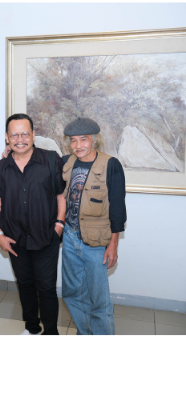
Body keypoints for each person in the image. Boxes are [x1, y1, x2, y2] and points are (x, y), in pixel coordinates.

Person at [0, 113, 66, 335]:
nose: (20, 139)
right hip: (15, 238)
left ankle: (51, 333)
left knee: (46, 289)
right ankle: (32, 329)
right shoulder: (0, 168)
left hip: (46, 237)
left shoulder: (51, 160)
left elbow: (61, 196)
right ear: (7, 137)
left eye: (25, 134)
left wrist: (59, 226)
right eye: (14, 135)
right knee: (25, 286)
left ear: (33, 135)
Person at [61, 117, 126, 335]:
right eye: (73, 140)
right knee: (72, 294)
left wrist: (113, 245)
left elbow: (117, 208)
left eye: (83, 139)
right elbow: (38, 160)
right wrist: (11, 152)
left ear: (94, 140)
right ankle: (85, 334)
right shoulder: (66, 162)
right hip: (70, 238)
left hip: (96, 243)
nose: (78, 145)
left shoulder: (111, 165)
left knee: (99, 300)